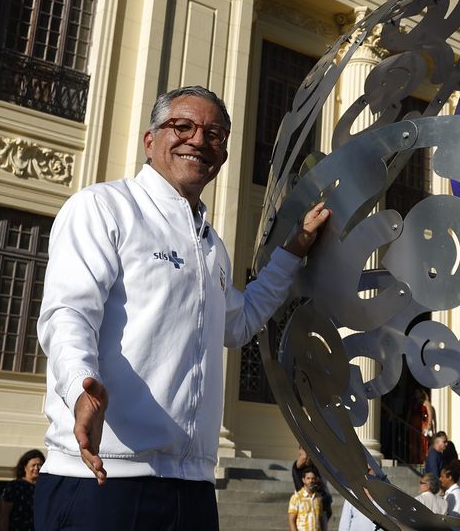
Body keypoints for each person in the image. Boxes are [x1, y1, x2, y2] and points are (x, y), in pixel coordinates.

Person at [34, 86, 331, 530]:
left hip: (191, 485)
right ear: (150, 140)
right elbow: (68, 313)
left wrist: (294, 249)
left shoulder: (210, 245)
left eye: (214, 134)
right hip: (104, 477)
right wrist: (80, 386)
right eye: (183, 126)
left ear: (224, 154)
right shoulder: (104, 207)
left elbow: (240, 322)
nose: (199, 140)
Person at [0, 451, 41, 531]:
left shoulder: (45, 489)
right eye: (33, 465)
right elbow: (4, 514)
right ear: (25, 467)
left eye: (39, 465)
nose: (36, 468)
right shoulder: (15, 486)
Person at [290, 450, 330, 529]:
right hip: (303, 498)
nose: (310, 481)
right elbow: (292, 520)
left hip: (317, 499)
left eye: (312, 479)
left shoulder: (318, 498)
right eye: (308, 478)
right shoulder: (297, 468)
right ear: (303, 480)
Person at [410, 388, 435, 465]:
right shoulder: (414, 403)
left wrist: (429, 425)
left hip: (423, 424)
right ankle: (415, 459)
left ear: (421, 393)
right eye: (415, 393)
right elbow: (410, 413)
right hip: (414, 424)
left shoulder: (426, 403)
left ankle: (424, 459)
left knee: (423, 441)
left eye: (418, 392)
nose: (416, 394)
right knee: (414, 442)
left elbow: (430, 414)